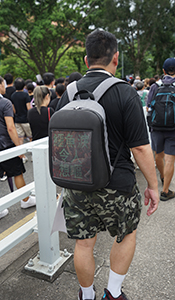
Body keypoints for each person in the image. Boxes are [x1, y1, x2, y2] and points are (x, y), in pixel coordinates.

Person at [56, 29, 159, 300]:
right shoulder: (126, 93)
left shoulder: (67, 93)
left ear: (86, 59)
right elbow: (139, 147)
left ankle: (86, 295)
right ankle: (113, 293)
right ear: (115, 58)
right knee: (125, 234)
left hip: (77, 183)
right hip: (118, 184)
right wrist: (153, 185)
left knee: (83, 242)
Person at [0, 73, 36, 222]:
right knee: (17, 173)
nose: (4, 87)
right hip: (7, 145)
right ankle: (25, 200)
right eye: (3, 84)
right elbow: (10, 128)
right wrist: (19, 147)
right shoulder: (5, 103)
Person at [147, 57, 175, 201]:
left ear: (163, 71)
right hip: (173, 129)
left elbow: (148, 106)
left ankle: (163, 177)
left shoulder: (155, 86)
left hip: (156, 127)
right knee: (170, 158)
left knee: (159, 154)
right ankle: (165, 191)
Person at [11, 77, 32, 163]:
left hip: (17, 120)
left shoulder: (13, 96)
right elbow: (28, 108)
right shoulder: (25, 95)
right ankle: (33, 155)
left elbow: (14, 110)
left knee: (20, 138)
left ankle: (22, 156)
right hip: (26, 120)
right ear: (24, 86)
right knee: (31, 137)